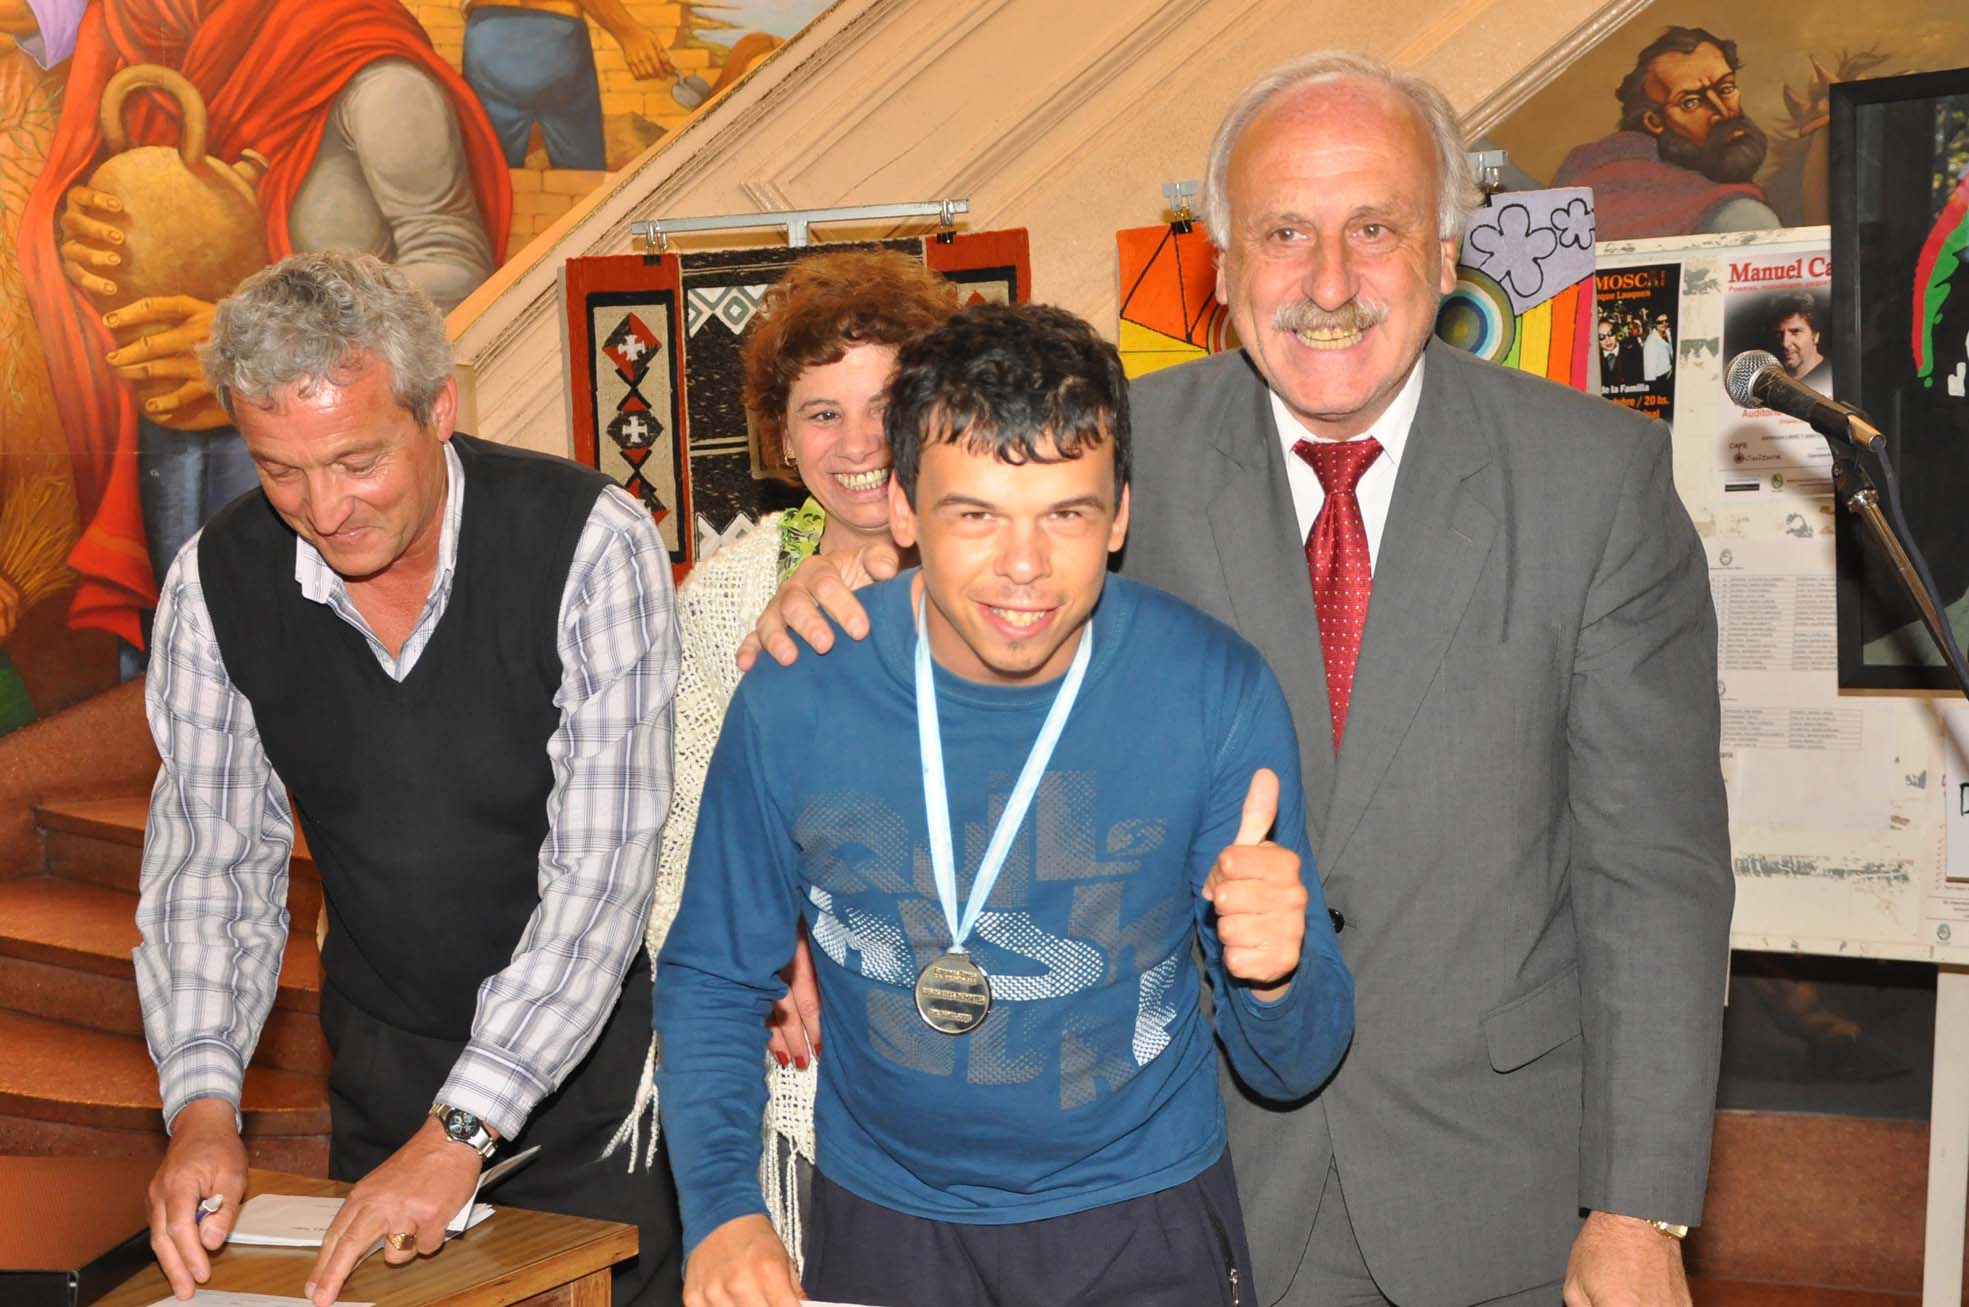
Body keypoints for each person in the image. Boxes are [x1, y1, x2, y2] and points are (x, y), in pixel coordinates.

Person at [742, 50, 1733, 1307]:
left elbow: (1654, 875)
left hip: (1503, 1197)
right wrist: (836, 585)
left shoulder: (1594, 484)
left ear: (1445, 253)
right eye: (1282, 232)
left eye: (1373, 227)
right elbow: (957, 634)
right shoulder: (1107, 457)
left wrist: (1638, 1204)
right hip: (1183, 1196)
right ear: (1221, 268)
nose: (1328, 283)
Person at [655, 302, 1353, 1307]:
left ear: (1119, 515)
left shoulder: (1212, 691)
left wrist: (1277, 976)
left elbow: (1292, 1069)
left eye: (1065, 513)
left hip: (1141, 1220)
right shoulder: (796, 692)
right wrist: (723, 1209)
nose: (1023, 565)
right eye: (974, 514)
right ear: (903, 509)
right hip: (882, 1222)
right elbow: (714, 975)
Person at [132, 251, 682, 1307]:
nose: (323, 507)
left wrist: (462, 1127)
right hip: (385, 1055)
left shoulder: (586, 542)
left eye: (357, 460)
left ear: (438, 410)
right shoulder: (215, 583)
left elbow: (601, 880)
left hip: (598, 1068)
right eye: (280, 470)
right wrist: (202, 1105)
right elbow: (211, 867)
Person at [610, 249, 959, 1242]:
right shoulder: (729, 589)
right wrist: (765, 947)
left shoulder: (1000, 566)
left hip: (983, 1048)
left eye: (885, 403)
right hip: (792, 1075)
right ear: (780, 433)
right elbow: (677, 832)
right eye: (821, 412)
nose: (858, 442)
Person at [20, 0, 510, 664]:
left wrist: (258, 351)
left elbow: (457, 268)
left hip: (337, 460)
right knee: (198, 665)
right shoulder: (141, 41)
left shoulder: (369, 65)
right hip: (171, 449)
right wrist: (95, 245)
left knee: (312, 671)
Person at [1553, 26, 1781, 240]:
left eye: (1726, 88)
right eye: (1691, 102)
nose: (1723, 112)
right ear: (1655, 122)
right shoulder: (1737, 216)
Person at [463, 0, 677, 171]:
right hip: (556, 34)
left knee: (488, 174)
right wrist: (629, 32)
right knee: (582, 175)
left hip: (489, 36)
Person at [1769, 292, 1830, 392]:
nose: (1785, 343)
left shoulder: (1833, 378)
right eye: (1779, 334)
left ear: (1815, 335)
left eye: (1795, 332)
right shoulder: (1772, 382)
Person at [1644, 312, 1674, 382]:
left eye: (1666, 321)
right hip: (1661, 380)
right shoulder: (1651, 342)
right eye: (1660, 322)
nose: (1664, 324)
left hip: (1669, 375)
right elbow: (1649, 371)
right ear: (1655, 324)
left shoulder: (1668, 334)